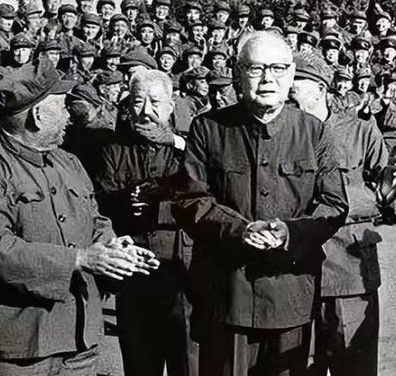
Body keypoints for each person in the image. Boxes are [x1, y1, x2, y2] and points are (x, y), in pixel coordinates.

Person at [171, 31, 349, 376]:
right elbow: (189, 198)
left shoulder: (314, 132)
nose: (268, 78)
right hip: (227, 295)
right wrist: (239, 230)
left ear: (291, 74)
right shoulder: (208, 128)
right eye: (256, 69)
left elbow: (333, 204)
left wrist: (288, 232)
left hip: (291, 293)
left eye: (278, 68)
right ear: (238, 74)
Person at [0, 60, 159, 375]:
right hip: (23, 348)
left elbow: (95, 220)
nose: (70, 116)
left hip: (82, 340)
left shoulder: (69, 162)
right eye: (62, 107)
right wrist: (79, 259)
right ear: (37, 115)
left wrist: (115, 250)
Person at [289, 51, 396, 376]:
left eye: (295, 80)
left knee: (354, 366)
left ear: (320, 88)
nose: (285, 86)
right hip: (293, 273)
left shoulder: (360, 131)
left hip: (348, 272)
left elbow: (388, 199)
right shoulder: (280, 132)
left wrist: (392, 175)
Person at [94, 69, 198, 376]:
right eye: (138, 102)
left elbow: (205, 193)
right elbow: (100, 201)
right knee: (140, 363)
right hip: (135, 272)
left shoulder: (189, 147)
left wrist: (159, 205)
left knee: (187, 362)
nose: (146, 111)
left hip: (183, 273)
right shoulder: (114, 149)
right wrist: (126, 200)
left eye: (155, 102)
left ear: (170, 105)